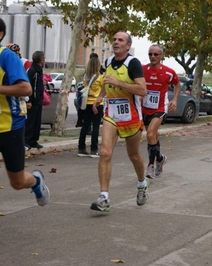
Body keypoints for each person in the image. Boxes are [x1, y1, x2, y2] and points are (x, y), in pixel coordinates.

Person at [0, 15, 50, 253]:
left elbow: (25, 88)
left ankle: (37, 181)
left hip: (11, 128)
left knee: (17, 182)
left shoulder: (7, 57)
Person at [90, 31, 147, 212]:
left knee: (134, 156)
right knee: (105, 153)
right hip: (111, 114)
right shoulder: (107, 62)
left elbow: (142, 90)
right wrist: (100, 97)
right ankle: (104, 197)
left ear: (128, 45)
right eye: (114, 39)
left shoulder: (133, 63)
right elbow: (107, 83)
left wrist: (120, 83)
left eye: (120, 40)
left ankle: (142, 183)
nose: (116, 42)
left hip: (131, 117)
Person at [142, 44, 180, 179]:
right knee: (153, 136)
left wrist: (174, 100)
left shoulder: (168, 72)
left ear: (161, 56)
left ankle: (151, 165)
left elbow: (177, 84)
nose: (152, 57)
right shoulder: (142, 70)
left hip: (160, 107)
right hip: (145, 107)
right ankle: (160, 158)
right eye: (150, 54)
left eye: (155, 54)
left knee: (151, 133)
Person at [77, 56, 104, 158]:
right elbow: (103, 89)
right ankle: (94, 149)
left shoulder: (85, 77)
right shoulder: (100, 77)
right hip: (97, 103)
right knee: (95, 127)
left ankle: (81, 148)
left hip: (86, 103)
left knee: (85, 125)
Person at [25, 51, 46, 150]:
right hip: (32, 100)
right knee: (30, 121)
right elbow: (28, 85)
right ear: (41, 60)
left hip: (38, 99)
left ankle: (34, 140)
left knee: (37, 121)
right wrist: (28, 100)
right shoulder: (32, 70)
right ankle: (26, 140)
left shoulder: (39, 70)